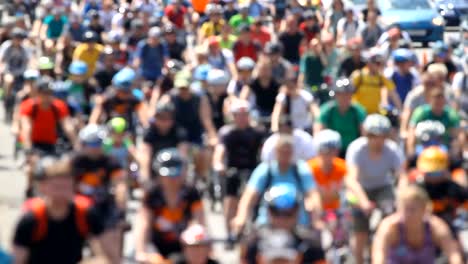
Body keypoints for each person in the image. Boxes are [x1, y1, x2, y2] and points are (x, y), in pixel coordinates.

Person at [12, 158, 110, 264]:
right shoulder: (31, 219)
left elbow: (103, 257)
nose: (61, 193)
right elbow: (18, 259)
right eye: (57, 187)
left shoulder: (84, 214)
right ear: (43, 188)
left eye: (66, 187)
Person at [345, 114, 405, 264]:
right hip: (360, 189)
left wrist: (402, 198)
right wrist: (364, 202)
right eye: (373, 136)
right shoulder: (356, 148)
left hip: (383, 187)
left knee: (391, 220)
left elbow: (402, 176)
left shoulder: (392, 149)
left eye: (381, 136)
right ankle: (358, 259)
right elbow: (352, 179)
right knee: (360, 232)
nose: (378, 140)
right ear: (366, 135)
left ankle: (387, 256)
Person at [232, 134, 322, 233]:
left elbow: (314, 195)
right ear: (276, 151)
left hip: (298, 225)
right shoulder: (265, 170)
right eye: (282, 151)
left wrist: (316, 219)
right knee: (249, 245)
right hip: (267, 224)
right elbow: (248, 197)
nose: (285, 155)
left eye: (288, 152)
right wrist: (241, 217)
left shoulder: (301, 170)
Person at [134, 148, 205, 261]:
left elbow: (199, 221)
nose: (173, 179)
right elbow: (143, 222)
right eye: (168, 175)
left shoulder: (191, 193)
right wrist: (140, 250)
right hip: (157, 247)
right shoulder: (152, 193)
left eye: (176, 174)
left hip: (184, 245)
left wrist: (198, 241)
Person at [71, 124, 127, 263]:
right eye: (92, 143)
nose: (95, 147)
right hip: (78, 207)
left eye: (98, 143)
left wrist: (121, 208)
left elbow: (120, 185)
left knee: (114, 238)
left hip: (103, 206)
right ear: (83, 144)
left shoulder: (111, 162)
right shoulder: (74, 162)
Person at [372, 185, 463, 264]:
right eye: (404, 209)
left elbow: (453, 253)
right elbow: (379, 255)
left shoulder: (435, 227)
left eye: (412, 209)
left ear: (424, 209)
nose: (407, 214)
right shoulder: (390, 227)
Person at [212, 100, 264, 239]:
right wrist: (218, 164)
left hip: (253, 169)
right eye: (238, 115)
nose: (242, 118)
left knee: (257, 198)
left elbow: (264, 150)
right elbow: (220, 150)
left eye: (245, 114)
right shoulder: (227, 133)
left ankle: (256, 228)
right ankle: (230, 233)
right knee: (230, 199)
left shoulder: (257, 132)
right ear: (233, 116)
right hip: (232, 170)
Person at [19, 77, 77, 197]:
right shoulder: (29, 106)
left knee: (61, 168)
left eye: (50, 93)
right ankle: (29, 190)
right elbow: (26, 128)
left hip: (51, 143)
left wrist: (77, 144)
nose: (47, 96)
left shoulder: (58, 106)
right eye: (44, 93)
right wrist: (29, 149)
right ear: (37, 93)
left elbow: (68, 126)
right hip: (32, 143)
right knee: (32, 168)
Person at [241, 183, 326, 264]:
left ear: (297, 211)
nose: (282, 219)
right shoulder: (253, 242)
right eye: (276, 212)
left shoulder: (311, 243)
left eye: (288, 213)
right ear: (268, 211)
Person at [405, 147, 468, 228]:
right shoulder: (418, 187)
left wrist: (452, 180)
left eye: (437, 172)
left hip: (446, 224)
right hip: (421, 225)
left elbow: (464, 196)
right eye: (429, 173)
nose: (433, 177)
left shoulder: (450, 186)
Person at [307, 129, 368, 213]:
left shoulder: (342, 167)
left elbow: (351, 184)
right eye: (325, 151)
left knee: (350, 198)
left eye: (333, 150)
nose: (329, 155)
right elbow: (309, 194)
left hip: (338, 210)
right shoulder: (309, 169)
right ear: (318, 151)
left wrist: (362, 201)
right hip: (317, 211)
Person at [315, 77, 366, 158]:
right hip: (330, 152)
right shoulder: (327, 110)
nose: (344, 97)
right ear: (335, 94)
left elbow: (365, 135)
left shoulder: (358, 111)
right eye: (340, 93)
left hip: (353, 151)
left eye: (347, 93)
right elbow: (318, 134)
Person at [89, 67, 149, 135]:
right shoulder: (108, 97)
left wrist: (146, 126)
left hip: (128, 132)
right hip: (109, 131)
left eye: (126, 91)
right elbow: (97, 113)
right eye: (121, 90)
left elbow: (143, 116)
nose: (124, 94)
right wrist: (92, 127)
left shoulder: (135, 99)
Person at [139, 102, 189, 182]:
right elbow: (145, 157)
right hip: (154, 171)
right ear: (155, 119)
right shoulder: (149, 132)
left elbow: (183, 157)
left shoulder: (179, 131)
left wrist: (183, 180)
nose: (164, 122)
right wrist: (145, 178)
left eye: (168, 118)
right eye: (161, 118)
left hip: (174, 172)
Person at [407, 88, 462, 157]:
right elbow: (411, 132)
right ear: (429, 101)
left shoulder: (451, 115)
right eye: (436, 103)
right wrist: (411, 151)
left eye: (440, 102)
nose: (438, 105)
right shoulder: (421, 112)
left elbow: (457, 136)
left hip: (444, 150)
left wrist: (454, 154)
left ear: (444, 101)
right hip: (422, 148)